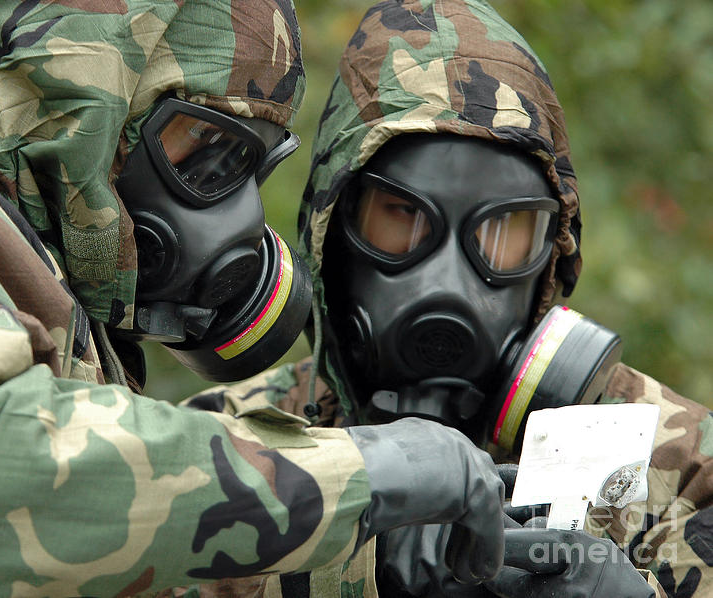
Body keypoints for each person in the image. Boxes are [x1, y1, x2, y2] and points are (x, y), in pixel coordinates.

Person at [0, 0, 511, 595]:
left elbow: (98, 552)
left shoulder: (36, 275)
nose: (236, 215)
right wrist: (366, 472)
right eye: (208, 148)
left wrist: (380, 561)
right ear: (89, 95)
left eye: (249, 168)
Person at [183, 0, 712, 596]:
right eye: (405, 217)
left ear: (551, 254)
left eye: (502, 230)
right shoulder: (222, 448)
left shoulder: (677, 464)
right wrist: (341, 572)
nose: (447, 284)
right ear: (330, 233)